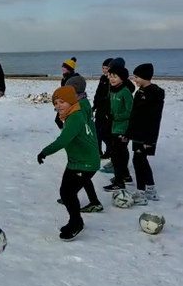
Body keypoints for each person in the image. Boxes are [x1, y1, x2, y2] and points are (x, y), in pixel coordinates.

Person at [37, 86, 100, 241]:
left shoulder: (75, 117)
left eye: (62, 102)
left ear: (72, 102)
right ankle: (75, 219)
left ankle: (76, 222)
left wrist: (45, 152)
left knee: (68, 193)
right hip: (76, 162)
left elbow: (63, 140)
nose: (58, 105)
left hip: (85, 163)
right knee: (66, 192)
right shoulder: (72, 114)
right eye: (56, 102)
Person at [60, 75, 103, 212]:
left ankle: (93, 202)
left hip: (84, 148)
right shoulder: (81, 102)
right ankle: (73, 197)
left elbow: (81, 126)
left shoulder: (81, 105)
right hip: (83, 147)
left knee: (83, 175)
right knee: (84, 176)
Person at [127, 63, 164, 205]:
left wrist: (150, 140)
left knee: (139, 161)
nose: (134, 79)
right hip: (136, 134)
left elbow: (155, 119)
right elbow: (134, 115)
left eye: (136, 77)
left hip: (146, 136)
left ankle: (142, 192)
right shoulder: (140, 91)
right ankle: (148, 190)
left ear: (144, 77)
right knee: (139, 161)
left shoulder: (155, 93)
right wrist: (128, 133)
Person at [103, 63, 134, 191]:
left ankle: (119, 181)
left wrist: (116, 116)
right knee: (116, 153)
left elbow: (130, 111)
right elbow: (110, 106)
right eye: (110, 76)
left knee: (117, 155)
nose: (112, 79)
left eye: (115, 76)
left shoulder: (125, 91)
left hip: (123, 128)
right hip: (114, 127)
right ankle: (124, 176)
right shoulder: (112, 90)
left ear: (122, 78)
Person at [93, 58, 113, 159]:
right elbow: (98, 93)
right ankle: (98, 151)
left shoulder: (112, 80)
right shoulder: (102, 78)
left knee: (105, 133)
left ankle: (109, 151)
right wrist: (94, 105)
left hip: (107, 111)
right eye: (103, 68)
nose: (105, 70)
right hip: (99, 109)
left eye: (107, 68)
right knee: (96, 131)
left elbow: (109, 98)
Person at [54, 57, 80, 129]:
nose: (62, 68)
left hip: (70, 103)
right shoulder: (64, 78)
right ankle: (65, 134)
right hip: (63, 102)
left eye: (64, 67)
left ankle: (67, 135)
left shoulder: (73, 79)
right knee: (59, 120)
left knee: (65, 120)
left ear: (69, 69)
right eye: (62, 66)